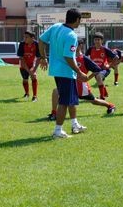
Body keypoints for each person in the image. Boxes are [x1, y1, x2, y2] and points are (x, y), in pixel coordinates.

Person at [38, 8, 89, 139]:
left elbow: (41, 40)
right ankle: (58, 131)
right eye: (80, 20)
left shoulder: (55, 26)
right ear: (77, 20)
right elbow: (68, 57)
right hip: (65, 72)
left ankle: (75, 124)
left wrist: (43, 58)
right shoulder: (72, 35)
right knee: (64, 102)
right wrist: (79, 72)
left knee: (72, 100)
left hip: (57, 70)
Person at [48, 40, 116, 120]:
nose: (72, 46)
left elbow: (97, 69)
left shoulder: (84, 58)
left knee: (93, 101)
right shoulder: (69, 57)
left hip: (81, 87)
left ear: (80, 46)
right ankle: (54, 113)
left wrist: (87, 78)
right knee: (56, 91)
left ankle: (110, 106)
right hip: (70, 83)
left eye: (74, 45)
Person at [85, 32, 119, 99]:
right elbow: (84, 58)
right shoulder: (90, 49)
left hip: (104, 69)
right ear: (93, 40)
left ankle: (102, 97)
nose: (97, 41)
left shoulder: (105, 49)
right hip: (96, 70)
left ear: (102, 41)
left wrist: (109, 66)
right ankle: (105, 94)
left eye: (98, 40)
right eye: (95, 40)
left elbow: (116, 57)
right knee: (99, 80)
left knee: (98, 77)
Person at [17, 30, 41, 102]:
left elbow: (38, 58)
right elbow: (21, 59)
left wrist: (33, 69)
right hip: (23, 65)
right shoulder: (22, 44)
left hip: (32, 65)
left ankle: (35, 96)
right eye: (24, 37)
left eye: (26, 37)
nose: (24, 38)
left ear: (32, 38)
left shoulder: (36, 44)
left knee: (34, 76)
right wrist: (28, 71)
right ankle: (27, 94)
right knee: (25, 79)